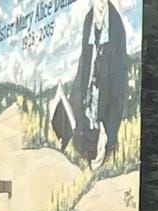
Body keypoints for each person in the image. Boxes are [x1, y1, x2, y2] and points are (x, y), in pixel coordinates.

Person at [48, 0, 128, 170]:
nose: (100, 4)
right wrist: (65, 113)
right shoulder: (88, 21)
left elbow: (118, 91)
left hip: (101, 135)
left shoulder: (117, 29)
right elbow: (83, 72)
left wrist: (108, 133)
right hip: (84, 131)